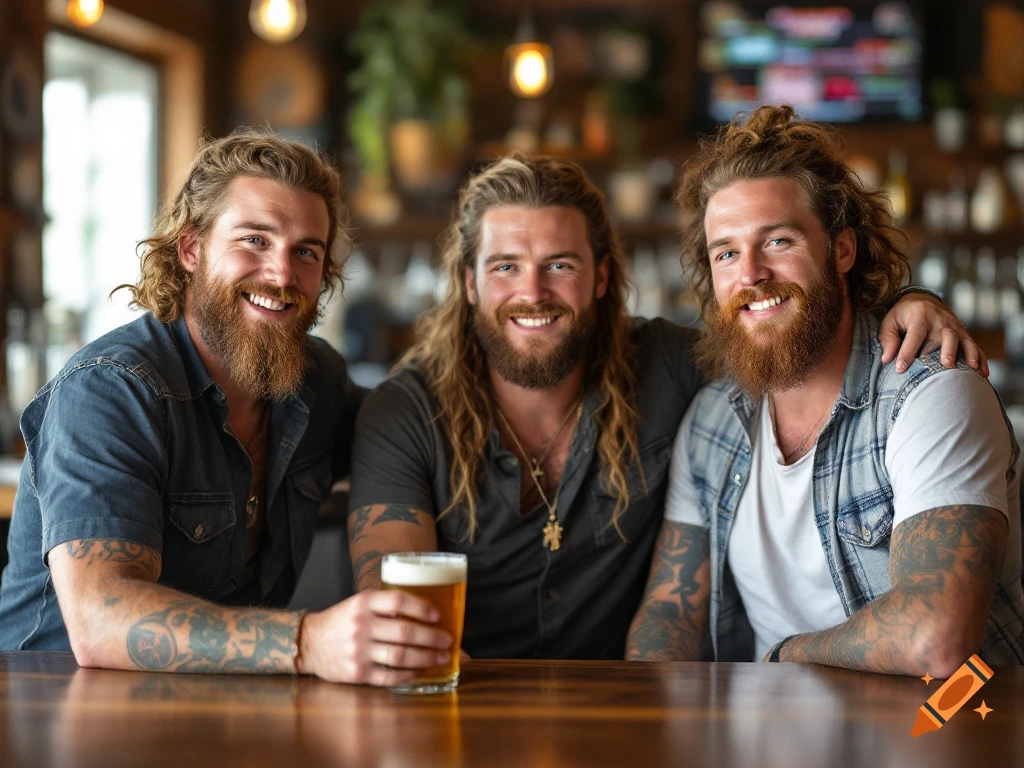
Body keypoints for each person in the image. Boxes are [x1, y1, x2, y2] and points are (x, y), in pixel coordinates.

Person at [348, 152, 982, 661]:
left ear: (600, 277)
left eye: (560, 264)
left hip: (629, 724)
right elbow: (396, 631)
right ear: (468, 283)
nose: (533, 291)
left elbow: (783, 327)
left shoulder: (670, 368)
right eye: (506, 266)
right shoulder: (406, 412)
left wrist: (908, 301)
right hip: (462, 713)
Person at [0, 130, 452, 687]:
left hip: (221, 713)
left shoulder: (318, 381)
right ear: (191, 249)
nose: (282, 275)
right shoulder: (112, 389)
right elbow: (99, 620)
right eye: (254, 241)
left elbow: (406, 433)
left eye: (305, 252)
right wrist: (308, 642)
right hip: (59, 713)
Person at [627, 105, 1024, 675]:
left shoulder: (930, 397)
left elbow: (936, 638)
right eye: (727, 253)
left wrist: (784, 657)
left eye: (778, 241)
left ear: (842, 249)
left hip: (939, 735)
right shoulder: (714, 418)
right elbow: (670, 611)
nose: (751, 274)